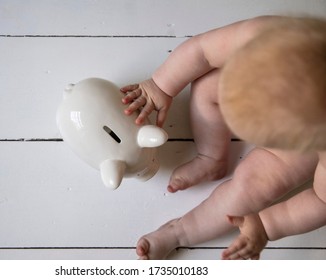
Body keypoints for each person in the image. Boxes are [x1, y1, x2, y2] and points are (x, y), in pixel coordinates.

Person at [120, 15, 326, 260]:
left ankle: (180, 232)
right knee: (207, 84)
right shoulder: (265, 37)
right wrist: (161, 85)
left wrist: (267, 226)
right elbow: (202, 50)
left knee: (255, 186)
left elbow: (321, 203)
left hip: (313, 139)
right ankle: (211, 158)